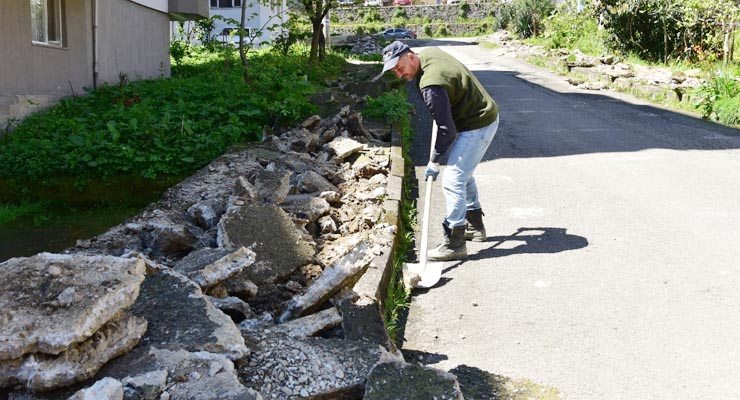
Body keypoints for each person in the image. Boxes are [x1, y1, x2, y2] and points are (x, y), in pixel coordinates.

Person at [378, 41, 499, 261]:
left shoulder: (430, 85)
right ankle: (474, 225)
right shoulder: (429, 54)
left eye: (399, 67)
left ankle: (455, 242)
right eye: (393, 71)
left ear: (410, 56)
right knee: (463, 173)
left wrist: (433, 161)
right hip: (479, 115)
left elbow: (446, 130)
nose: (398, 74)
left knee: (452, 179)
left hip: (478, 123)